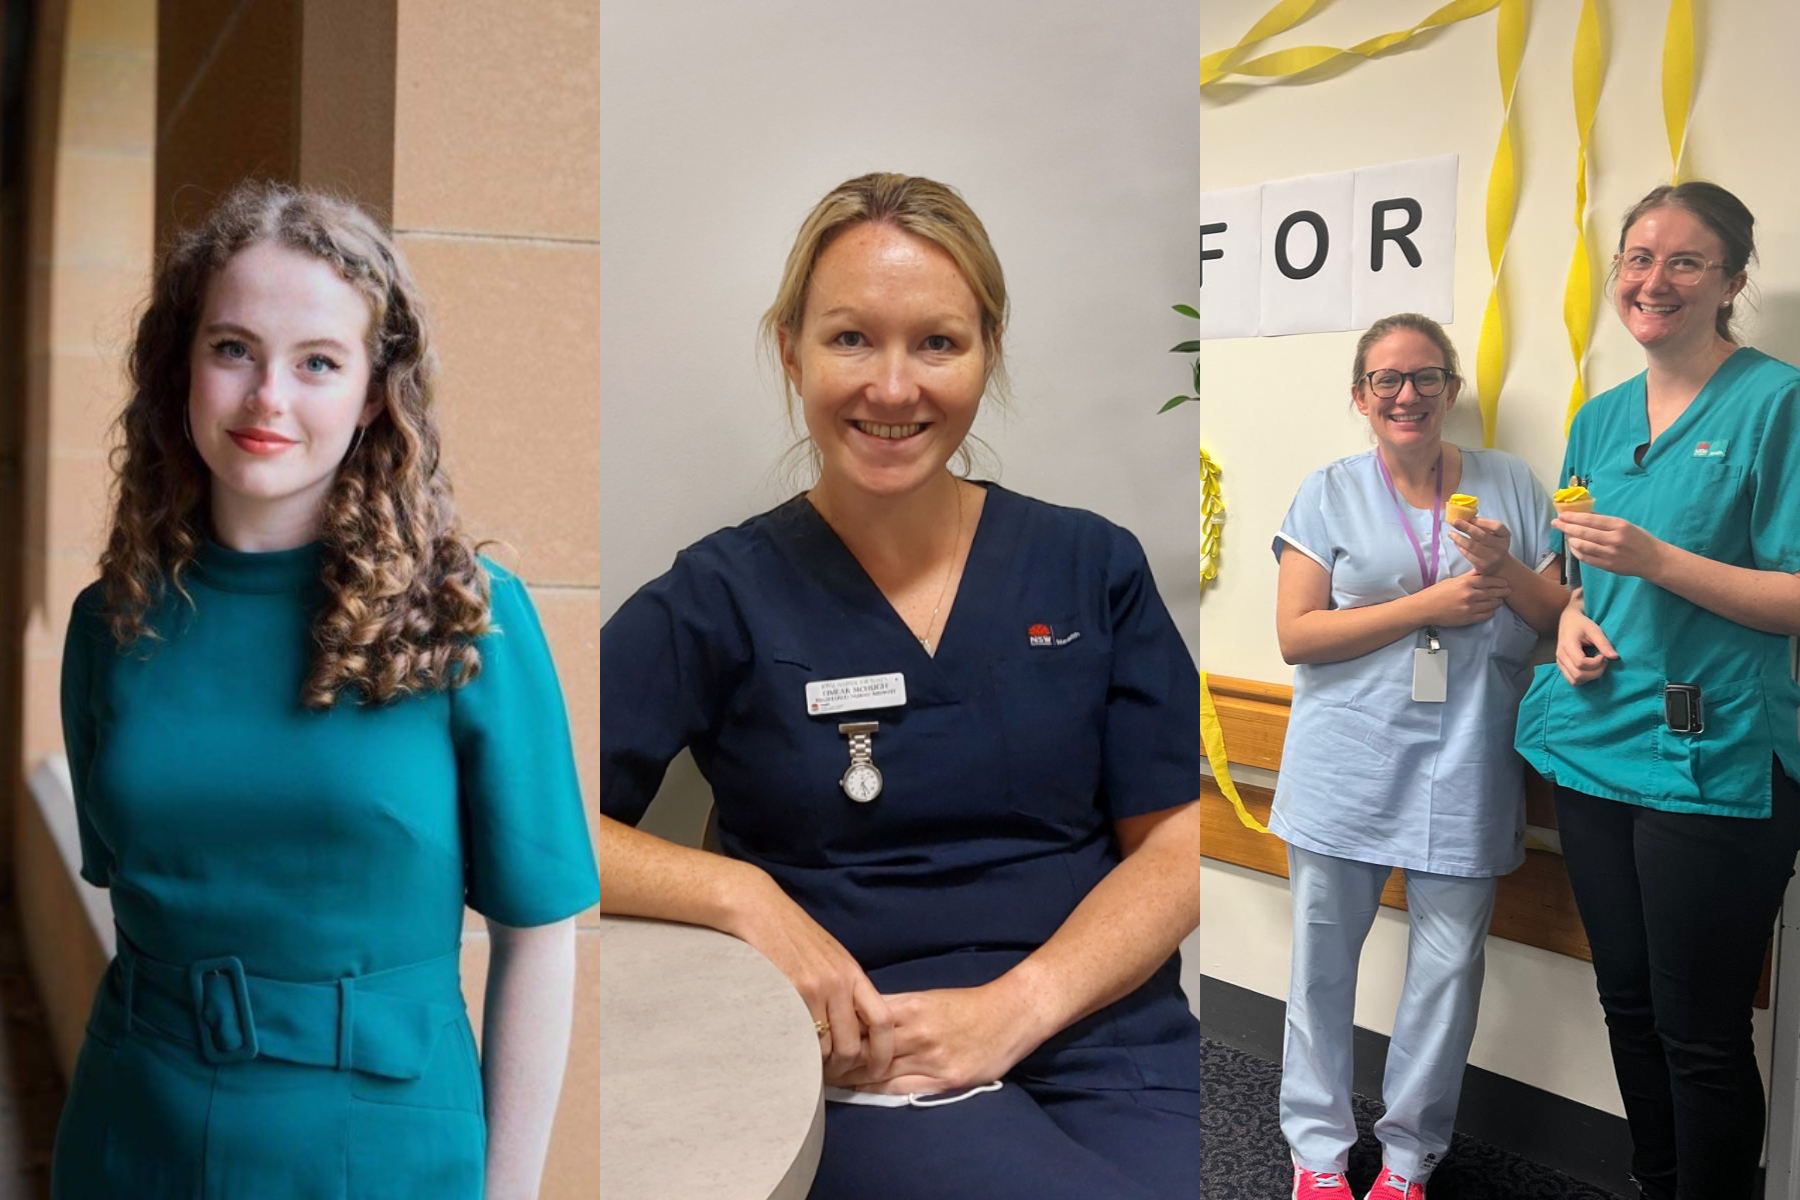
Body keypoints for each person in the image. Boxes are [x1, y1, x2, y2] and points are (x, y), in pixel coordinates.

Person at [599, 172, 1200, 1199]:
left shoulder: (1088, 565)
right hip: (869, 1044)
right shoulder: (720, 594)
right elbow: (536, 815)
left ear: (987, 350)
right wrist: (737, 894)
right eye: (849, 339)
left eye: (936, 341)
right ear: (789, 350)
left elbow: (1179, 839)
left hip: (1100, 1028)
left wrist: (1022, 1004)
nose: (892, 387)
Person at [50, 182, 598, 1199]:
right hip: (135, 1134)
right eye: (233, 350)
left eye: (317, 363)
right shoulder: (110, 622)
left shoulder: (468, 617)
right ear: (182, 367)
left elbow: (539, 939)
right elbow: (135, 896)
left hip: (382, 1149)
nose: (269, 399)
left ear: (373, 390)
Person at [1515, 181, 1800, 1200]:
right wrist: (1573, 618)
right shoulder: (1596, 420)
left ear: (1730, 280)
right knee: (1627, 1007)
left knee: (1703, 1035)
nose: (1655, 279)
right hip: (1597, 744)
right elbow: (1579, 574)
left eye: (1686, 261)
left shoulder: (1778, 404)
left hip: (1714, 761)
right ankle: (1655, 1181)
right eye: (1639, 257)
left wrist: (1660, 559)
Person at [1272, 313, 1565, 1200]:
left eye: (1427, 377)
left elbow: (1556, 619)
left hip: (1468, 758)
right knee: (1321, 967)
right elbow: (1296, 635)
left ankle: (1409, 1161)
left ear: (1451, 390)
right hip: (1346, 763)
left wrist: (1505, 569)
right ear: (1360, 396)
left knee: (1447, 973)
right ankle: (1318, 1155)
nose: (1408, 395)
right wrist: (1426, 606)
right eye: (1388, 380)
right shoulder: (1326, 492)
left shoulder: (1513, 485)